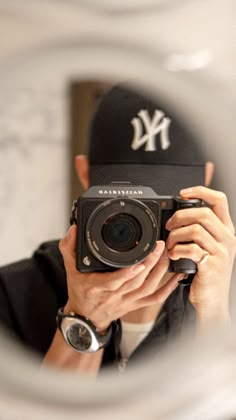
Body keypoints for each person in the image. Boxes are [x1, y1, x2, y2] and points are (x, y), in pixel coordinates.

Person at [0, 85, 235, 376]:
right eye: (126, 201)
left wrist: (213, 316)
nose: (143, 225)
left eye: (163, 204)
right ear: (84, 173)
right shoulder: (12, 295)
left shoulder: (224, 290)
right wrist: (84, 320)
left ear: (206, 180)